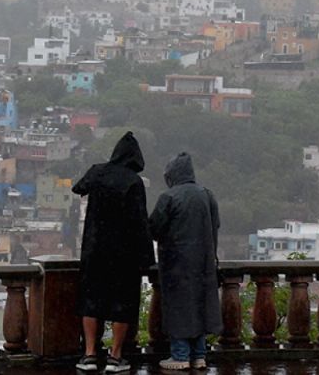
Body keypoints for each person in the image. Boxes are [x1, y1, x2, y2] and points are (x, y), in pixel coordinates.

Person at [72, 132, 155, 373]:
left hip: (94, 249)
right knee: (123, 303)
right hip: (123, 254)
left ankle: (89, 354)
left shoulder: (98, 172)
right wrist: (146, 258)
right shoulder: (133, 181)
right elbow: (140, 222)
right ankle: (115, 356)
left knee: (90, 301)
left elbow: (78, 188)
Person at [149, 152, 222, 371]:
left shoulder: (169, 197)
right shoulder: (207, 195)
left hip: (176, 263)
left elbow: (153, 228)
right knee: (200, 307)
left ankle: (180, 355)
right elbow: (215, 225)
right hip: (204, 262)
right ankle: (199, 355)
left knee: (179, 309)